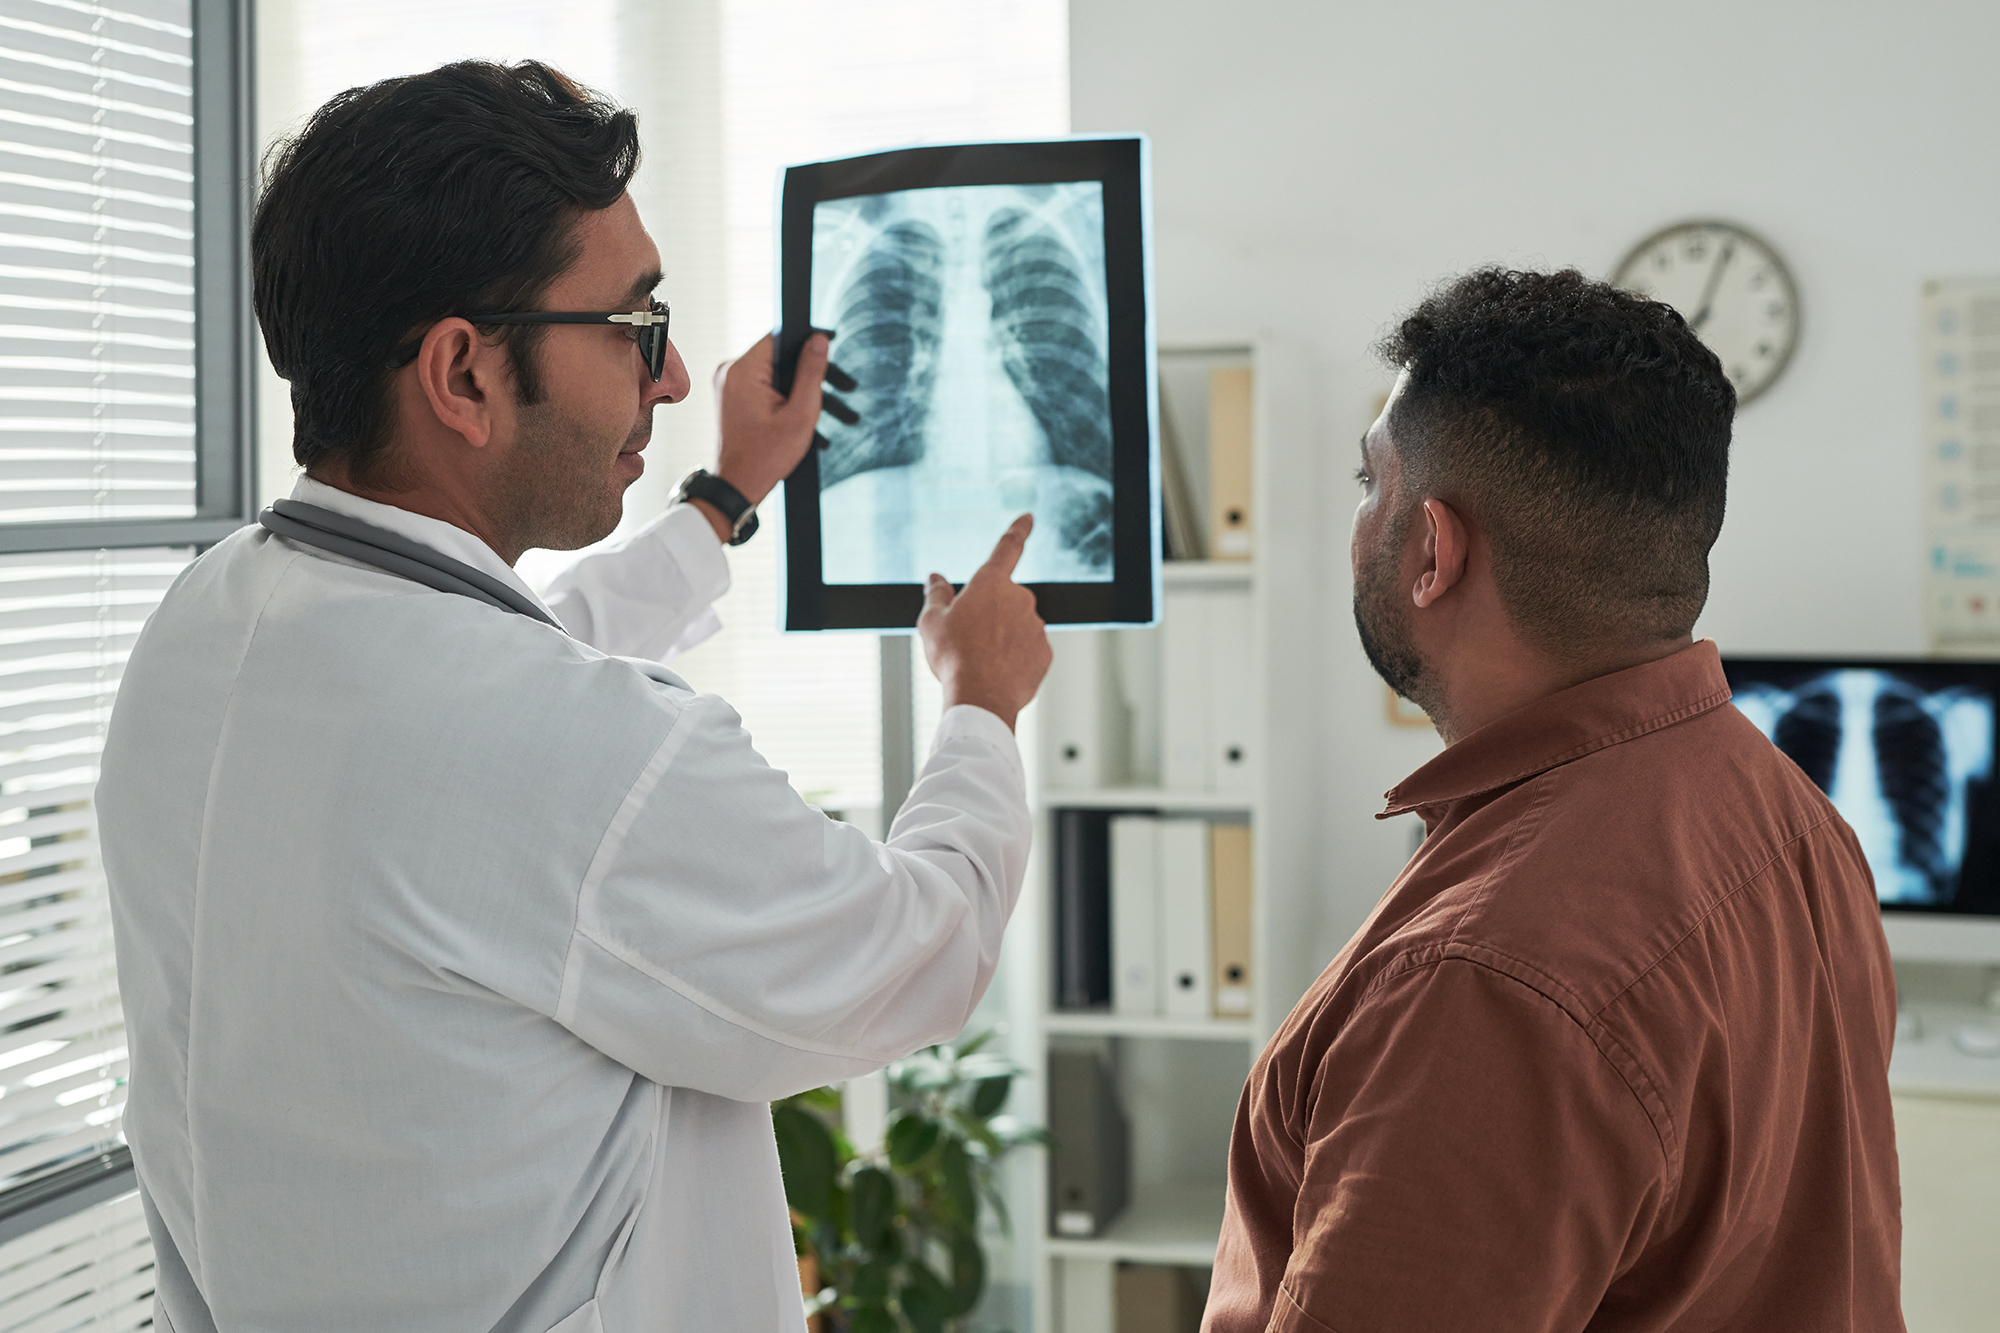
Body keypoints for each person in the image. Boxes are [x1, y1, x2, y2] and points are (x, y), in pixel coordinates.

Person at [96, 61, 1051, 1333]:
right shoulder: (572, 750)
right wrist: (978, 707)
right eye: (634, 326)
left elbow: (501, 677)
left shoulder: (213, 618)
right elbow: (910, 953)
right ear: (462, 373)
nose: (666, 380)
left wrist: (720, 499)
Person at [1205, 269, 1901, 1332]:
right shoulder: (1795, 819)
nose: (1355, 524)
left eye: (1366, 484)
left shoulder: (1480, 983)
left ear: (1433, 550)